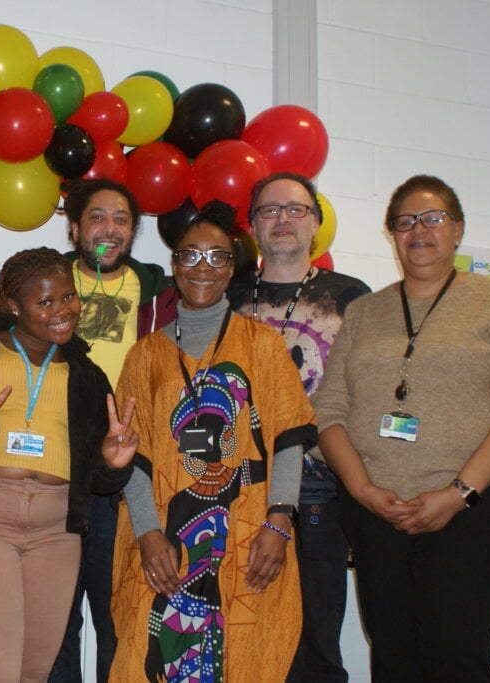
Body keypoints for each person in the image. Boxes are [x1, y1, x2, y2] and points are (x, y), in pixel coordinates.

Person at [312, 175, 490, 682]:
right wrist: (363, 491)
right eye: (405, 222)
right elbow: (328, 411)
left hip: (470, 513)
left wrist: (458, 493)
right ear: (392, 235)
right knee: (393, 658)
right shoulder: (364, 312)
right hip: (377, 516)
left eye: (433, 218)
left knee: (456, 659)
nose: (418, 230)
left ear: (458, 229)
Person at [110, 200, 317, 683]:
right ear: (174, 265)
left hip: (249, 538)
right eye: (190, 255)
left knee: (243, 656)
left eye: (216, 257)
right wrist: (147, 534)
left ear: (232, 268)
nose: (202, 268)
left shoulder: (263, 346)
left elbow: (289, 436)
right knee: (154, 654)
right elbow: (133, 458)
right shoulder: (145, 356)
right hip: (162, 544)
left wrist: (280, 521)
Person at [0, 247, 138, 683]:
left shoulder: (87, 375)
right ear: (13, 305)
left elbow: (98, 479)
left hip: (55, 533)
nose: (62, 311)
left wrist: (112, 463)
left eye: (68, 297)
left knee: (32, 675)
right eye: (45, 301)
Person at [227, 172, 370, 683]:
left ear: (315, 222)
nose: (282, 219)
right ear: (252, 226)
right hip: (237, 489)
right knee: (243, 641)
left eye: (296, 209)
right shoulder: (227, 295)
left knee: (315, 643)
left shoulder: (351, 296)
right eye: (269, 210)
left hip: (319, 491)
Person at [52, 178, 177, 683]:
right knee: (56, 624)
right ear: (75, 227)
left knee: (118, 619)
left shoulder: (160, 294)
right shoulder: (46, 283)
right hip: (55, 471)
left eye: (121, 220)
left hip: (123, 480)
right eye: (97, 217)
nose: (109, 229)